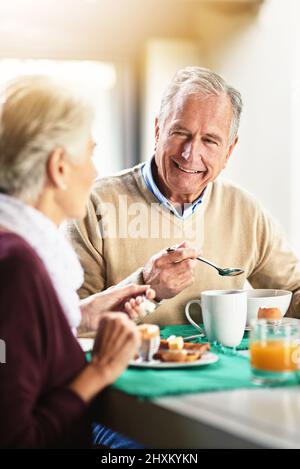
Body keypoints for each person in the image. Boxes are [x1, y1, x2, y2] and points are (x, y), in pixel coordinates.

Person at [64, 66, 300, 325]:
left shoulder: (245, 212)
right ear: (158, 131)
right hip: (128, 364)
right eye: (180, 133)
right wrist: (145, 285)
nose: (189, 153)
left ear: (229, 151)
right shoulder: (93, 204)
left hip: (223, 365)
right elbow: (70, 325)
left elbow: (293, 290)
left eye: (210, 140)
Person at [0, 75, 154, 448]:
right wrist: (99, 370)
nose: (95, 171)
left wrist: (81, 313)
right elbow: (17, 440)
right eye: (89, 152)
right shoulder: (18, 264)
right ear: (60, 167)